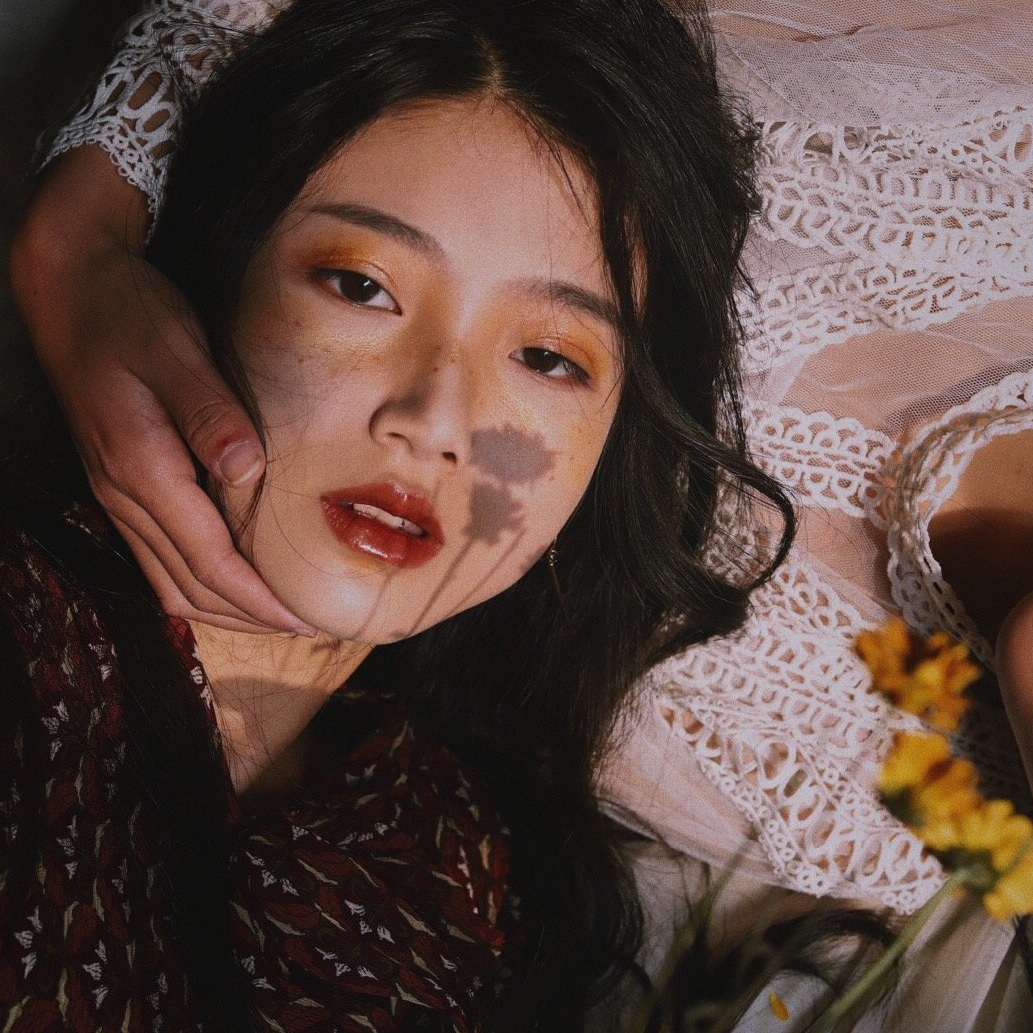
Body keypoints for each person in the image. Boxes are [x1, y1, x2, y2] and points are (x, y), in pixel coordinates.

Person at [2, 1, 795, 1030]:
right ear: (215, 276)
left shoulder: (474, 874)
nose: (435, 421)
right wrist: (72, 239)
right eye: (360, 286)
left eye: (547, 357)